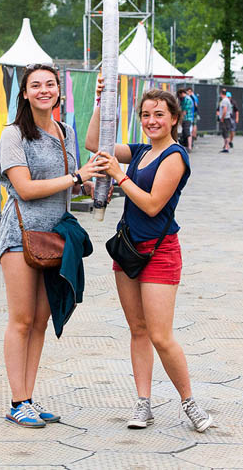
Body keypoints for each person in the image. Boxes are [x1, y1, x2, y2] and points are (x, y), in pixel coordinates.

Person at [85, 86, 213, 434]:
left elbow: (153, 204)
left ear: (174, 118)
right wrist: (101, 103)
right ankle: (143, 404)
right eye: (146, 115)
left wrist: (118, 175)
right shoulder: (140, 151)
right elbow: (94, 143)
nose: (151, 121)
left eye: (159, 114)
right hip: (128, 249)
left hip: (160, 253)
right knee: (138, 330)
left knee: (160, 334)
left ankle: (189, 402)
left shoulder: (175, 156)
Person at [0, 63, 104, 427]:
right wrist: (74, 176)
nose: (44, 90)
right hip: (20, 236)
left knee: (40, 321)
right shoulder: (13, 135)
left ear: (59, 90)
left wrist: (85, 183)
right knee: (22, 320)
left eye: (50, 84)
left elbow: (66, 183)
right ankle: (16, 401)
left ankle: (29, 397)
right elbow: (25, 189)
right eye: (35, 85)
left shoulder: (65, 132)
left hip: (55, 238)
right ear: (24, 93)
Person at [217, 88, 231, 153]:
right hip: (227, 118)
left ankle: (226, 147)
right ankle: (226, 146)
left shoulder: (224, 101)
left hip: (225, 118)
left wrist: (222, 118)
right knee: (226, 132)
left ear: (221, 94)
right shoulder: (227, 100)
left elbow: (224, 110)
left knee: (225, 133)